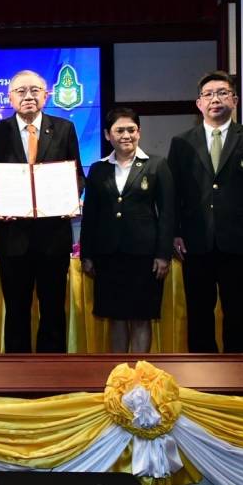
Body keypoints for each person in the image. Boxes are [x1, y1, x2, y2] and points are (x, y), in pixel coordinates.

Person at [167, 71, 243, 353]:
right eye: (208, 94)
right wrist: (174, 232)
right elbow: (173, 193)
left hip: (238, 240)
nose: (215, 99)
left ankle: (239, 374)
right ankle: (201, 375)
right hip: (195, 242)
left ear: (235, 100)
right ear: (199, 103)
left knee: (237, 314)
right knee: (198, 315)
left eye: (222, 93)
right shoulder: (181, 142)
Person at [0, 70, 84, 353]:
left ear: (46, 95)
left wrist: (71, 198)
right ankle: (17, 371)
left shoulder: (64, 128)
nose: (28, 96)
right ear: (10, 98)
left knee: (53, 309)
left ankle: (52, 371)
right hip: (13, 237)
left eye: (35, 90)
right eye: (21, 91)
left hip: (53, 236)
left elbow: (77, 175)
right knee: (16, 309)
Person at [80, 108, 174, 353]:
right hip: (108, 256)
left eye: (131, 130)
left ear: (139, 132)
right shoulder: (98, 169)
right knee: (116, 317)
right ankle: (119, 369)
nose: (126, 135)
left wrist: (163, 254)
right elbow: (90, 215)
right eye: (119, 130)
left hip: (145, 256)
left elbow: (167, 213)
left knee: (142, 317)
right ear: (107, 135)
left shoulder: (156, 164)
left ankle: (140, 371)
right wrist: (87, 254)